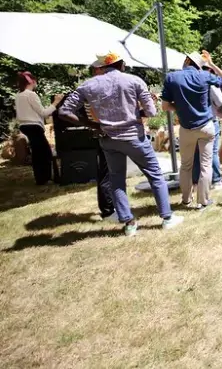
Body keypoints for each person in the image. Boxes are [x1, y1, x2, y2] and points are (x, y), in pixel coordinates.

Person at [59, 52, 182, 236]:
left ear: (103, 66)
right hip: (134, 138)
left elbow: (64, 111)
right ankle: (167, 218)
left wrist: (93, 125)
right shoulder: (134, 80)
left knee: (116, 179)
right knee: (155, 175)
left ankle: (129, 224)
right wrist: (135, 114)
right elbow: (150, 112)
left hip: (108, 139)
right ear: (122, 65)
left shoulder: (89, 84)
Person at [161, 51, 222, 210]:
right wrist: (211, 64)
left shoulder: (172, 77)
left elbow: (164, 106)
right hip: (206, 126)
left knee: (186, 166)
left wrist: (180, 108)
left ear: (187, 60)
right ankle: (203, 201)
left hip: (186, 128)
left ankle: (186, 199)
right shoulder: (204, 75)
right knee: (205, 165)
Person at [54, 57, 114, 218]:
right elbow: (66, 112)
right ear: (97, 70)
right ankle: (109, 210)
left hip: (103, 133)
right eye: (106, 68)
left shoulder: (91, 86)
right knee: (108, 172)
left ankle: (110, 208)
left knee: (107, 171)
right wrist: (94, 125)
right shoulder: (96, 87)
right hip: (107, 134)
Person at [14, 71, 63, 185]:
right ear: (32, 81)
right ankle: (44, 179)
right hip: (34, 126)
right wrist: (56, 102)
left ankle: (42, 178)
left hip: (24, 126)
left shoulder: (18, 95)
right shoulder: (31, 94)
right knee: (44, 153)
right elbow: (44, 113)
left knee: (37, 152)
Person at [192, 66, 222, 191]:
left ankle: (195, 182)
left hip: (193, 122)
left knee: (196, 153)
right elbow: (221, 101)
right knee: (212, 152)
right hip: (210, 120)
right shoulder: (209, 85)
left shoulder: (190, 83)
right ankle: (216, 180)